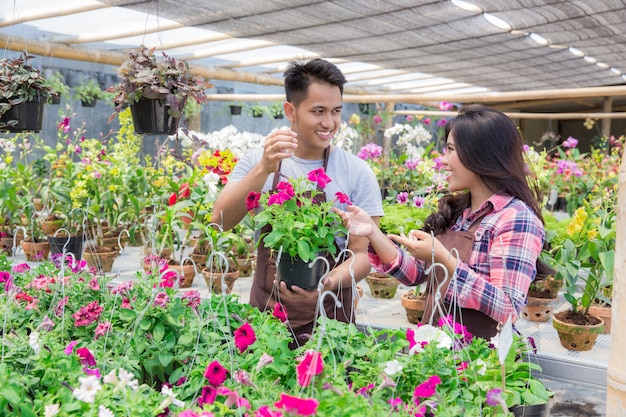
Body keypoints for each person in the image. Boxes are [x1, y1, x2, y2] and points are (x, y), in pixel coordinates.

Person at [335, 104, 550, 340]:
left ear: (481, 154)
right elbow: (416, 274)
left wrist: (445, 259)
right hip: (439, 355)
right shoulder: (461, 214)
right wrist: (372, 233)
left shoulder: (515, 218)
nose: (443, 160)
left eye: (450, 150)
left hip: (482, 365)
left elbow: (507, 308)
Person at [210, 58, 384, 347]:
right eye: (318, 111)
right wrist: (264, 168)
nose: (329, 123)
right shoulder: (257, 161)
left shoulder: (356, 172)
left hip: (331, 318)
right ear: (290, 110)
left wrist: (325, 282)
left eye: (336, 111)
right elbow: (219, 222)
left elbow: (363, 255)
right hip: (267, 318)